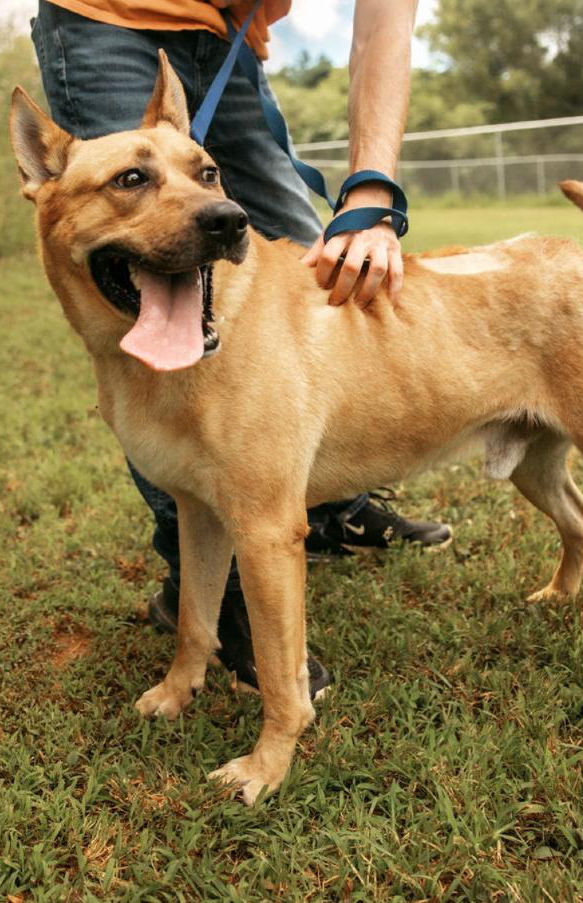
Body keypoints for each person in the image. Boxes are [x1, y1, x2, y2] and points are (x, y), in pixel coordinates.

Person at [30, 0, 453, 699]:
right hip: (104, 14)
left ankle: (319, 500)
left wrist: (371, 188)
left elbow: (384, 23)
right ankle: (215, 586)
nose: (212, 202)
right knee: (151, 244)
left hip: (229, 40)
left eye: (206, 178)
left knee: (308, 265)